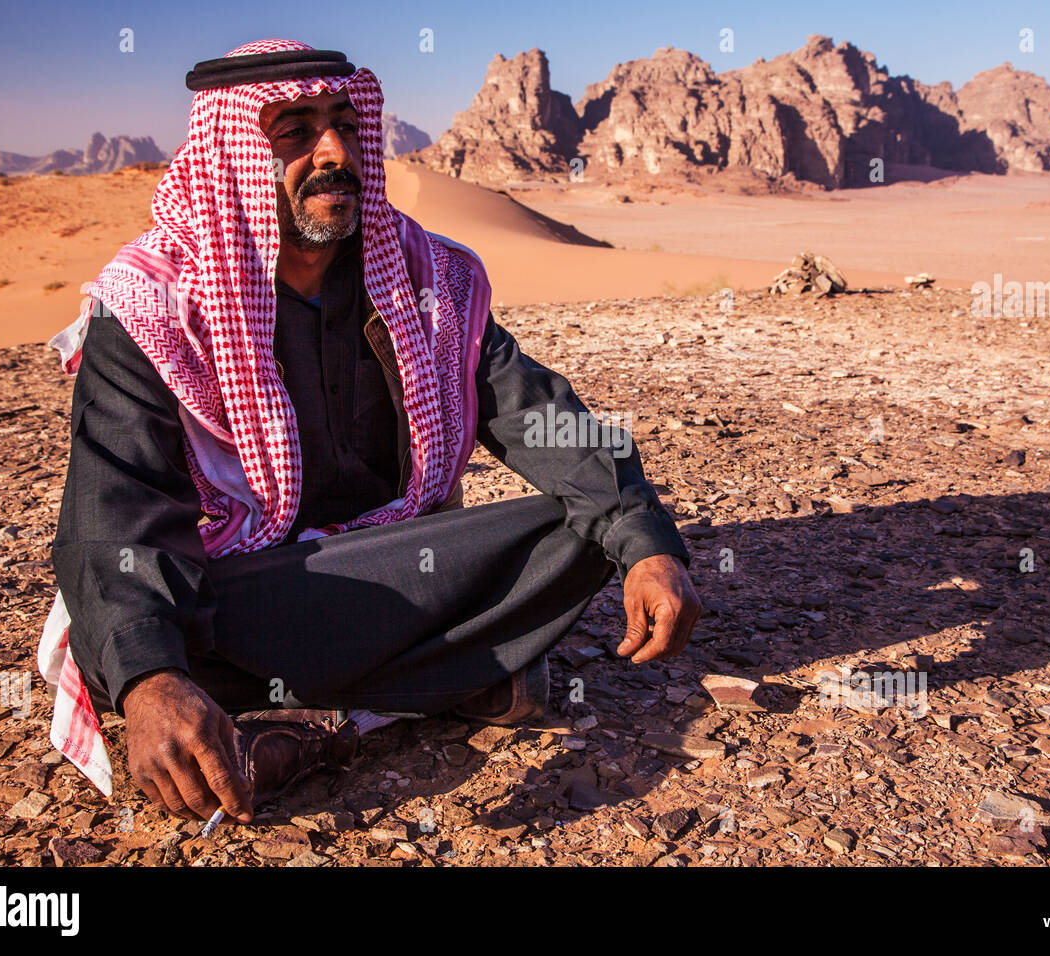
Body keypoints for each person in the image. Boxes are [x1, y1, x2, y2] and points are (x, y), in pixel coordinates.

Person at [38, 39, 700, 825]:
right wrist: (149, 679)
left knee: (590, 524)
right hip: (249, 589)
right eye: (295, 131)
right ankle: (448, 677)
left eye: (346, 126)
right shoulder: (152, 306)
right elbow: (115, 515)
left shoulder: (425, 278)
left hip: (397, 559)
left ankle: (324, 714)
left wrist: (647, 543)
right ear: (233, 154)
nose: (334, 152)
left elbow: (539, 417)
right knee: (120, 634)